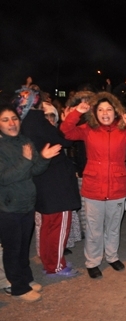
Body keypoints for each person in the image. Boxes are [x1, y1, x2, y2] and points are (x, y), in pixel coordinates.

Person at [60, 92, 126, 279]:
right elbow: (65, 132)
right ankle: (93, 261)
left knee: (114, 226)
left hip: (117, 185)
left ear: (116, 111)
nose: (105, 113)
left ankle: (112, 256)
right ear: (94, 113)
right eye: (100, 110)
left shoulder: (122, 130)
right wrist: (76, 112)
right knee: (94, 227)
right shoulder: (88, 129)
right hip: (94, 186)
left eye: (108, 109)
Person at [0, 105, 62, 302]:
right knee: (12, 248)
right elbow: (4, 178)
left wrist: (43, 158)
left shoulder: (25, 141)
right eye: (5, 120)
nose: (11, 123)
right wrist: (26, 161)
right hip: (8, 206)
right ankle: (18, 287)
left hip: (27, 202)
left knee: (23, 245)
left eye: (14, 119)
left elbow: (35, 170)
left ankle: (25, 278)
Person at [17, 88, 81, 277]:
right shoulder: (36, 119)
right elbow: (65, 141)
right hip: (56, 183)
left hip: (41, 180)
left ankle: (49, 262)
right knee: (58, 227)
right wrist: (68, 119)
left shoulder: (21, 121)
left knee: (47, 225)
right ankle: (56, 266)